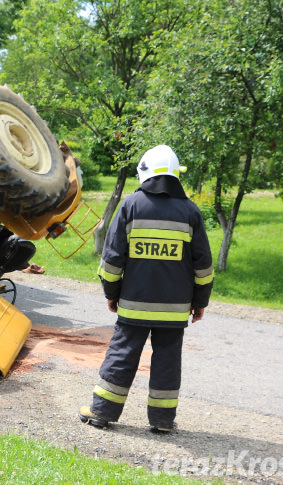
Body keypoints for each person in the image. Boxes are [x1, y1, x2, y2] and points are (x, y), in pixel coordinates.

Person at [78, 145, 214, 432]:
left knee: (122, 356)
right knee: (167, 362)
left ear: (144, 173)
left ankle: (102, 412)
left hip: (133, 305)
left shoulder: (130, 206)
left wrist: (112, 294)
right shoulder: (190, 212)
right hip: (175, 311)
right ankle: (163, 421)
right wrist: (199, 302)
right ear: (175, 175)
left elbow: (112, 261)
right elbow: (203, 267)